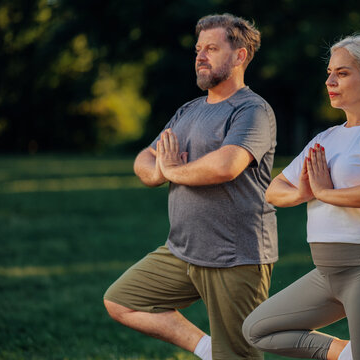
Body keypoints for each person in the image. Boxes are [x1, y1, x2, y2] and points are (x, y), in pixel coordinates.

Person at [103, 13, 278, 360]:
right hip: (182, 251)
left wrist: (169, 170)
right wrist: (158, 173)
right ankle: (207, 348)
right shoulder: (189, 110)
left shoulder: (252, 110)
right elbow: (145, 158)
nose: (200, 56)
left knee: (240, 356)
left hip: (234, 256)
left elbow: (226, 165)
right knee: (121, 301)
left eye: (211, 48)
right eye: (198, 49)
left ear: (240, 56)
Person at [242, 34, 360, 360]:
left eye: (342, 73)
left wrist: (324, 193)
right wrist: (303, 192)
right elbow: (274, 190)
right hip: (326, 275)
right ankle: (347, 355)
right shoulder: (326, 138)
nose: (330, 81)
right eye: (330, 72)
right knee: (257, 329)